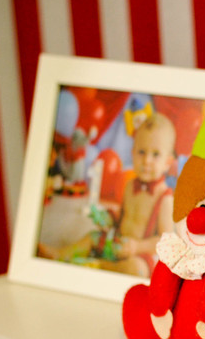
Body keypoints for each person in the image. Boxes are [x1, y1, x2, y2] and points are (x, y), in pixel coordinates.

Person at [43, 113, 177, 276]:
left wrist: (137, 247)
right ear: (133, 153)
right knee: (93, 237)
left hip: (141, 253)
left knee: (136, 269)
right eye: (141, 152)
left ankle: (100, 266)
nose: (147, 160)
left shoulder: (165, 197)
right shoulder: (129, 186)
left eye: (155, 154)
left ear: (167, 162)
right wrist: (108, 217)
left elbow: (166, 241)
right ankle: (61, 254)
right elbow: (123, 216)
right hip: (118, 243)